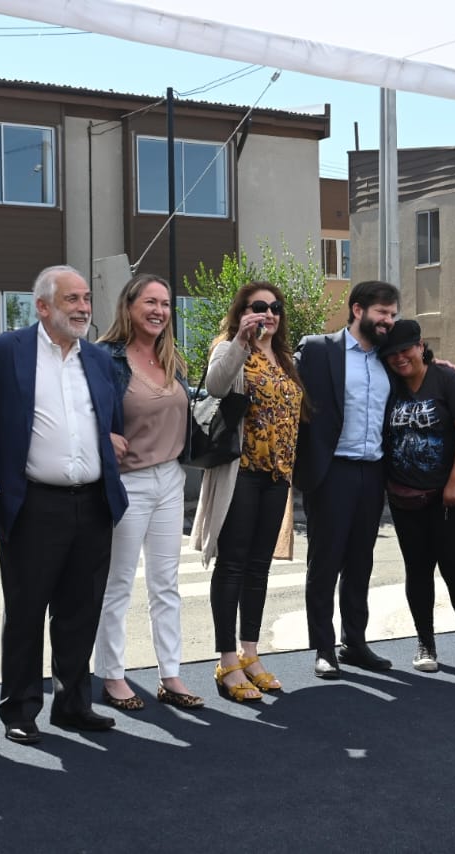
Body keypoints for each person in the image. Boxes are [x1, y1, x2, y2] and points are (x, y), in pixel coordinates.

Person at [0, 265, 128, 744]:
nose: (83, 307)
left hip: (92, 504)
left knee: (80, 610)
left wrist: (112, 442)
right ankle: (20, 710)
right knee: (26, 611)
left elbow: (108, 418)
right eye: (72, 299)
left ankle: (73, 705)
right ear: (43, 306)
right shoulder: (8, 352)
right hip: (33, 505)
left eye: (86, 298)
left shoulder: (98, 358)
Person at [191, 283, 304, 701]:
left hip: (277, 476)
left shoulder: (286, 359)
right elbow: (217, 386)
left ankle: (250, 655)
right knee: (233, 566)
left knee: (259, 567)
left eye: (275, 307)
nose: (269, 314)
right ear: (242, 312)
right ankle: (226, 662)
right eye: (259, 307)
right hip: (242, 472)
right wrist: (240, 340)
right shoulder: (228, 347)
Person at [95, 274, 203, 711]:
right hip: (128, 482)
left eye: (166, 303)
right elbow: (83, 410)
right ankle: (112, 676)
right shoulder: (107, 359)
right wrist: (101, 435)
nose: (159, 310)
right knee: (117, 584)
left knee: (166, 586)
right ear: (130, 306)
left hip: (169, 479)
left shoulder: (171, 358)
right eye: (150, 302)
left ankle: (170, 675)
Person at [293, 280, 400, 678]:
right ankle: (324, 648)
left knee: (360, 562)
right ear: (358, 310)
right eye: (382, 313)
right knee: (325, 562)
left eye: (392, 314)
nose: (388, 321)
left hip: (373, 472)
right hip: (331, 471)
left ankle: (355, 642)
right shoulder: (320, 350)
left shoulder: (389, 356)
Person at [379, 320, 455, 675]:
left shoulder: (446, 379)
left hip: (448, 499)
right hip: (404, 497)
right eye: (393, 353)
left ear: (420, 345)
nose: (400, 358)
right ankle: (425, 643)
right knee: (418, 571)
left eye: (406, 349)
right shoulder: (390, 384)